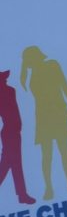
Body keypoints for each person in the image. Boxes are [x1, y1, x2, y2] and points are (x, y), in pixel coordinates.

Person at [20, 46, 67, 201]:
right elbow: (47, 100)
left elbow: (64, 87)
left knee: (64, 151)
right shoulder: (34, 77)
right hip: (45, 117)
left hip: (58, 115)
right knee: (47, 154)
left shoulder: (53, 65)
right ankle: (49, 188)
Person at [0, 69, 35, 205]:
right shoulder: (7, 91)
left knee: (9, 163)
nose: (5, 80)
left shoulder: (10, 90)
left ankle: (22, 195)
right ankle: (22, 195)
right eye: (2, 78)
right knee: (13, 164)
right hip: (10, 131)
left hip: (13, 131)